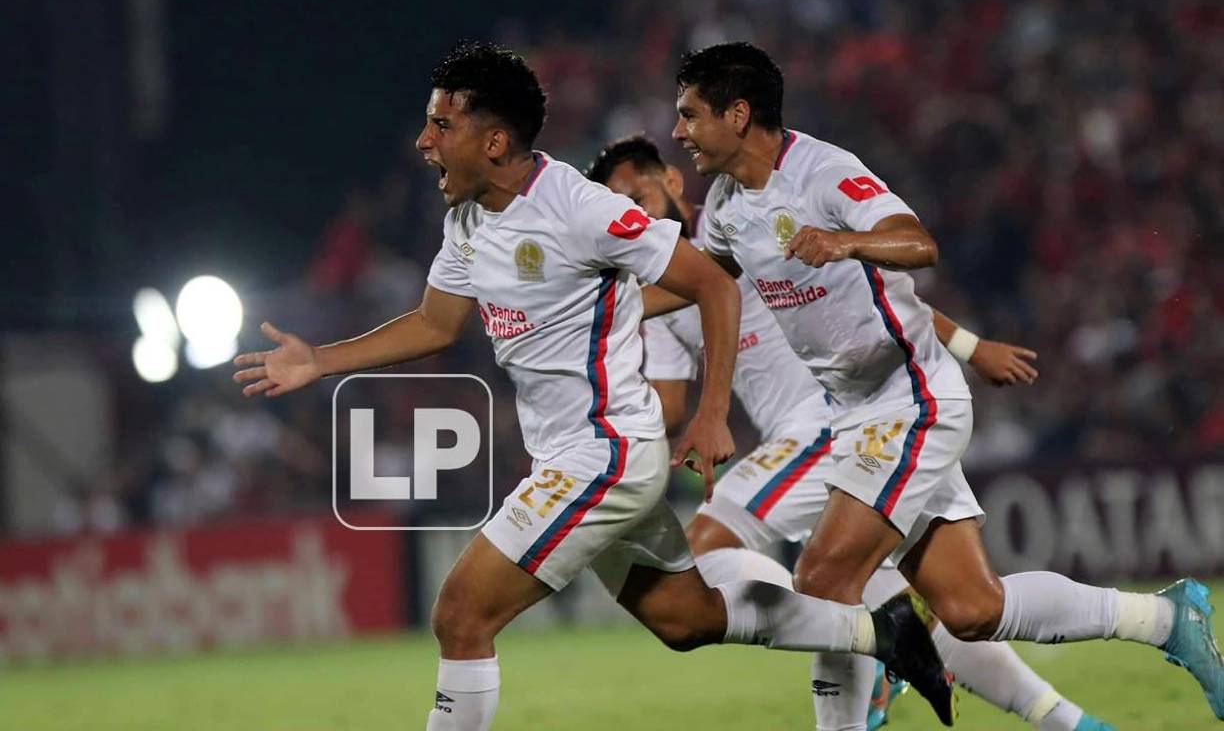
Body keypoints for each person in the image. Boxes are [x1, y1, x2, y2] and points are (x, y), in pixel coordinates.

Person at [232, 41, 957, 731]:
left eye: (441, 125)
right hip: (573, 456)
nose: (424, 142)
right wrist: (319, 360)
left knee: (460, 615)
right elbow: (434, 322)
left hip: (603, 455)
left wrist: (711, 414)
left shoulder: (580, 209)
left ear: (494, 142)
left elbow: (712, 284)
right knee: (687, 619)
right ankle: (883, 631)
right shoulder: (468, 219)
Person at [655, 41, 1223, 727]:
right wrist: (600, 306)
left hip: (910, 403)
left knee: (825, 579)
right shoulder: (725, 203)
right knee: (973, 609)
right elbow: (701, 283)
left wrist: (846, 241)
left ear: (738, 114)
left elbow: (917, 243)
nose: (678, 131)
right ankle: (1166, 619)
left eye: (690, 114)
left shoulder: (825, 174)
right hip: (855, 414)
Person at [588, 134, 1116, 731]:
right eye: (620, 209)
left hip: (833, 419)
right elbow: (667, 408)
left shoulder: (739, 219)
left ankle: (866, 634)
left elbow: (872, 293)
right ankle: (1066, 720)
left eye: (638, 196)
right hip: (826, 431)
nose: (636, 213)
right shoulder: (655, 290)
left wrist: (970, 346)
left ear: (672, 181)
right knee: (954, 605)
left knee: (712, 548)